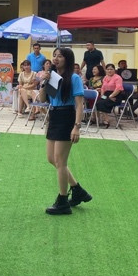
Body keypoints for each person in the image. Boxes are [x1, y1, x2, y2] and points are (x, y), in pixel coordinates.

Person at [37, 47, 92, 215]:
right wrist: (43, 82)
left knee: (61, 161)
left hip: (67, 117)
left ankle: (62, 201)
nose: (56, 58)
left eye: (60, 56)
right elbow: (42, 99)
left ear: (67, 59)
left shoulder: (74, 78)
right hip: (54, 116)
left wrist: (77, 126)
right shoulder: (51, 77)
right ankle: (77, 190)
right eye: (54, 55)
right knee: (51, 159)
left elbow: (79, 104)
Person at [94, 64, 124, 128]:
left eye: (111, 69)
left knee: (104, 102)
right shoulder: (105, 77)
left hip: (115, 95)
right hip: (106, 94)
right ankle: (106, 118)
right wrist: (102, 95)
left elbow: (118, 89)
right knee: (98, 102)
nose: (109, 71)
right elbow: (103, 88)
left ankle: (106, 120)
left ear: (114, 70)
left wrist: (111, 96)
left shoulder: (118, 78)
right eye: (108, 69)